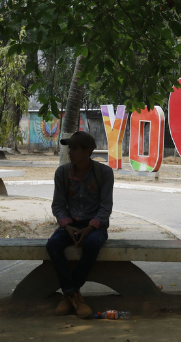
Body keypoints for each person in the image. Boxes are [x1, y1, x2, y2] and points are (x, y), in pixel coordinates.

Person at [47, 130, 113, 318]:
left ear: (88, 151)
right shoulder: (63, 172)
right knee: (52, 245)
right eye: (70, 148)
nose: (70, 152)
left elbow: (105, 207)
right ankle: (74, 294)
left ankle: (69, 294)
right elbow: (58, 205)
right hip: (70, 224)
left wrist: (90, 228)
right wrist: (67, 227)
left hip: (95, 226)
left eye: (75, 148)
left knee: (92, 244)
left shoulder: (104, 173)